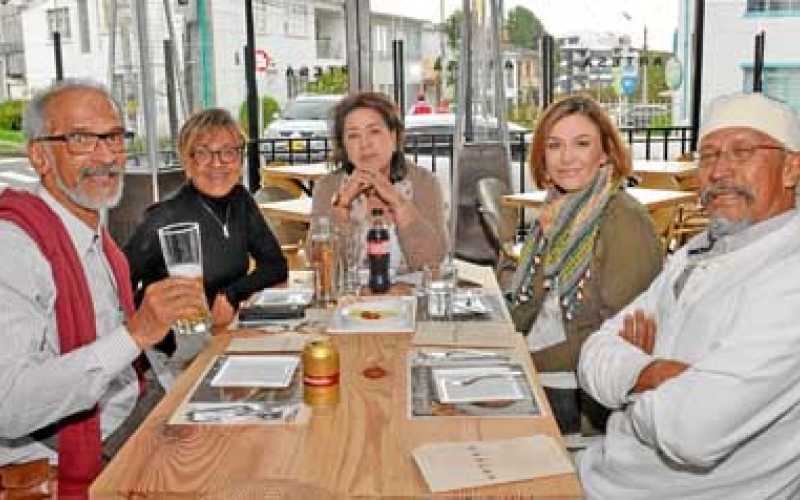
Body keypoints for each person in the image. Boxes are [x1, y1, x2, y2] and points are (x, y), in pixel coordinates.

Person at [578, 92, 800, 498]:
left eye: (742, 152)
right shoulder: (699, 249)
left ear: (790, 169)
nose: (719, 171)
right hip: (600, 471)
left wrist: (627, 383)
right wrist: (657, 373)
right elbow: (592, 354)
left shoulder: (790, 277)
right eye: (709, 155)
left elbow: (693, 431)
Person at [0, 79, 208, 496]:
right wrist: (137, 333)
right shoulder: (15, 247)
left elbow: (131, 362)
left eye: (114, 136)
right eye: (81, 139)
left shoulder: (93, 231)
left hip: (130, 413)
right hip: (74, 456)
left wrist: (189, 362)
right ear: (40, 156)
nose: (108, 155)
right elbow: (8, 405)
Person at [506, 95, 662, 436]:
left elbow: (618, 335)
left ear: (605, 151)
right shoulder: (559, 207)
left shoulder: (624, 219)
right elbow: (530, 304)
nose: (567, 158)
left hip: (576, 391)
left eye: (581, 144)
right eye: (555, 145)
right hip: (537, 364)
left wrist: (522, 360)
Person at [124, 108, 287, 333]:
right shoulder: (163, 217)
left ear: (240, 158)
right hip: (175, 350)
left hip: (223, 332)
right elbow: (119, 290)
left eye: (228, 151)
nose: (217, 163)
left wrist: (231, 294)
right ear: (187, 162)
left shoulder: (240, 200)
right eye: (203, 153)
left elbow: (276, 266)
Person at [312, 91, 447, 270]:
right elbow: (320, 265)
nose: (365, 144)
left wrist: (397, 201)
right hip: (352, 296)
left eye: (374, 131)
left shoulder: (424, 183)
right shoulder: (329, 187)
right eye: (353, 135)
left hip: (409, 294)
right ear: (343, 145)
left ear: (393, 137)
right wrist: (342, 206)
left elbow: (431, 261)